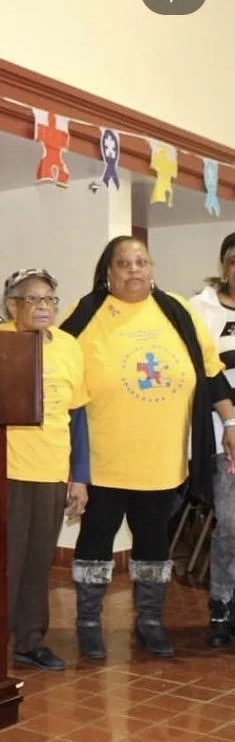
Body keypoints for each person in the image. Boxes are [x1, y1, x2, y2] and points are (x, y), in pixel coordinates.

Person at [60, 235, 235, 660]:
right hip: (103, 462)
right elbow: (53, 364)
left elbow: (210, 372)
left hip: (162, 461)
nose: (134, 269)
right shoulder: (87, 312)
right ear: (108, 272)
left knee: (154, 546)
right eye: (124, 263)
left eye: (142, 261)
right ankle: (88, 624)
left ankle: (150, 622)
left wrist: (230, 421)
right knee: (95, 544)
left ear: (152, 268)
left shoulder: (176, 311)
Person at [0, 269, 89, 671]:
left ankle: (29, 642)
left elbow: (78, 415)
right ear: (12, 305)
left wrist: (79, 476)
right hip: (7, 470)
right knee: (5, 564)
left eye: (49, 299)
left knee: (38, 562)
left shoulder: (69, 346)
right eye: (32, 299)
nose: (42, 307)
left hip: (52, 470)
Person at [188, 231, 235, 647]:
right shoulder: (199, 308)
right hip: (225, 437)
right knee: (231, 525)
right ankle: (221, 605)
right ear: (224, 265)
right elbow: (200, 370)